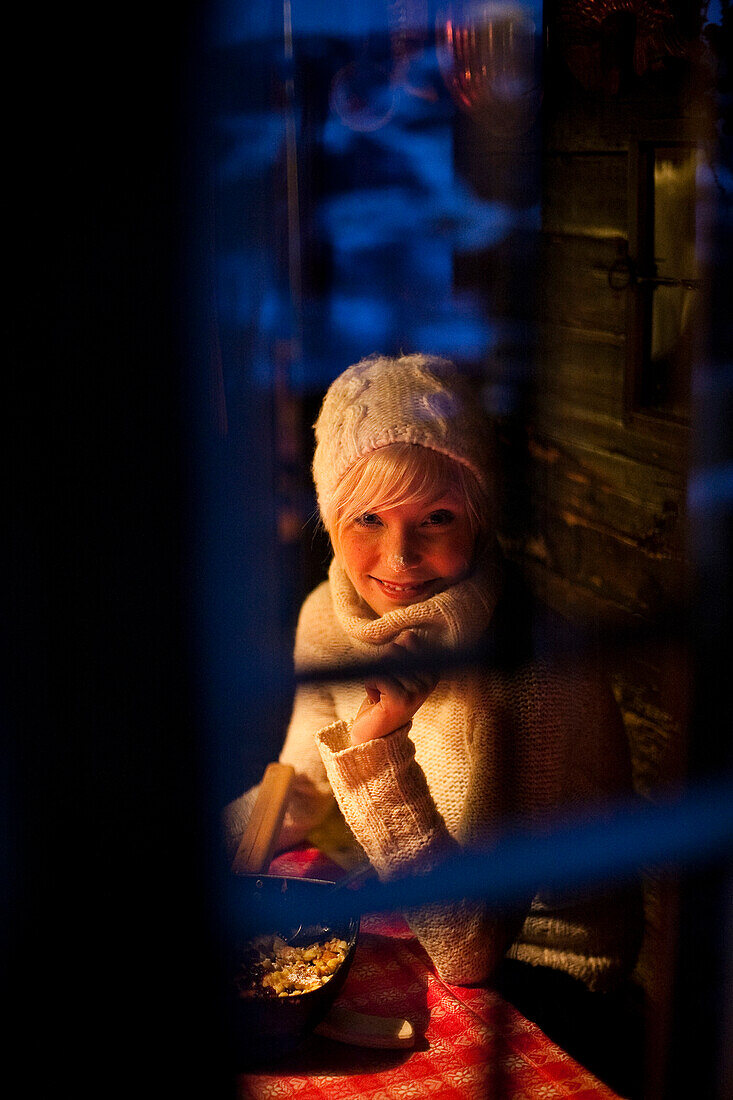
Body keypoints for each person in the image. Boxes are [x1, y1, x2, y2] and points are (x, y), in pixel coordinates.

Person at [223, 352, 642, 1001]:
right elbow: (297, 792)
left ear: (478, 515)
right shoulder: (327, 623)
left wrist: (377, 744)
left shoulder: (535, 668)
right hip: (410, 915)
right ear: (330, 516)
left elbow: (471, 946)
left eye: (436, 517)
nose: (399, 558)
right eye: (368, 517)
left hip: (544, 980)